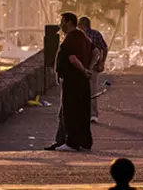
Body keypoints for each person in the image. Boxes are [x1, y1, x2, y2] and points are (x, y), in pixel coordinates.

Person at [46, 12, 93, 152]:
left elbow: (72, 59)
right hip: (82, 81)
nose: (60, 25)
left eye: (62, 22)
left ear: (69, 22)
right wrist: (90, 68)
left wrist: (84, 70)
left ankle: (71, 142)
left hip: (72, 80)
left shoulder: (71, 38)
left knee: (69, 111)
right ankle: (84, 142)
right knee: (82, 111)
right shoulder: (83, 37)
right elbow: (96, 52)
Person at [78, 16, 109, 123]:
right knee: (91, 91)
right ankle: (92, 114)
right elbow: (105, 48)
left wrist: (101, 62)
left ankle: (89, 114)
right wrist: (102, 62)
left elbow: (104, 48)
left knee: (86, 90)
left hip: (86, 67)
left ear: (83, 26)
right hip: (90, 67)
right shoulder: (96, 34)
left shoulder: (84, 36)